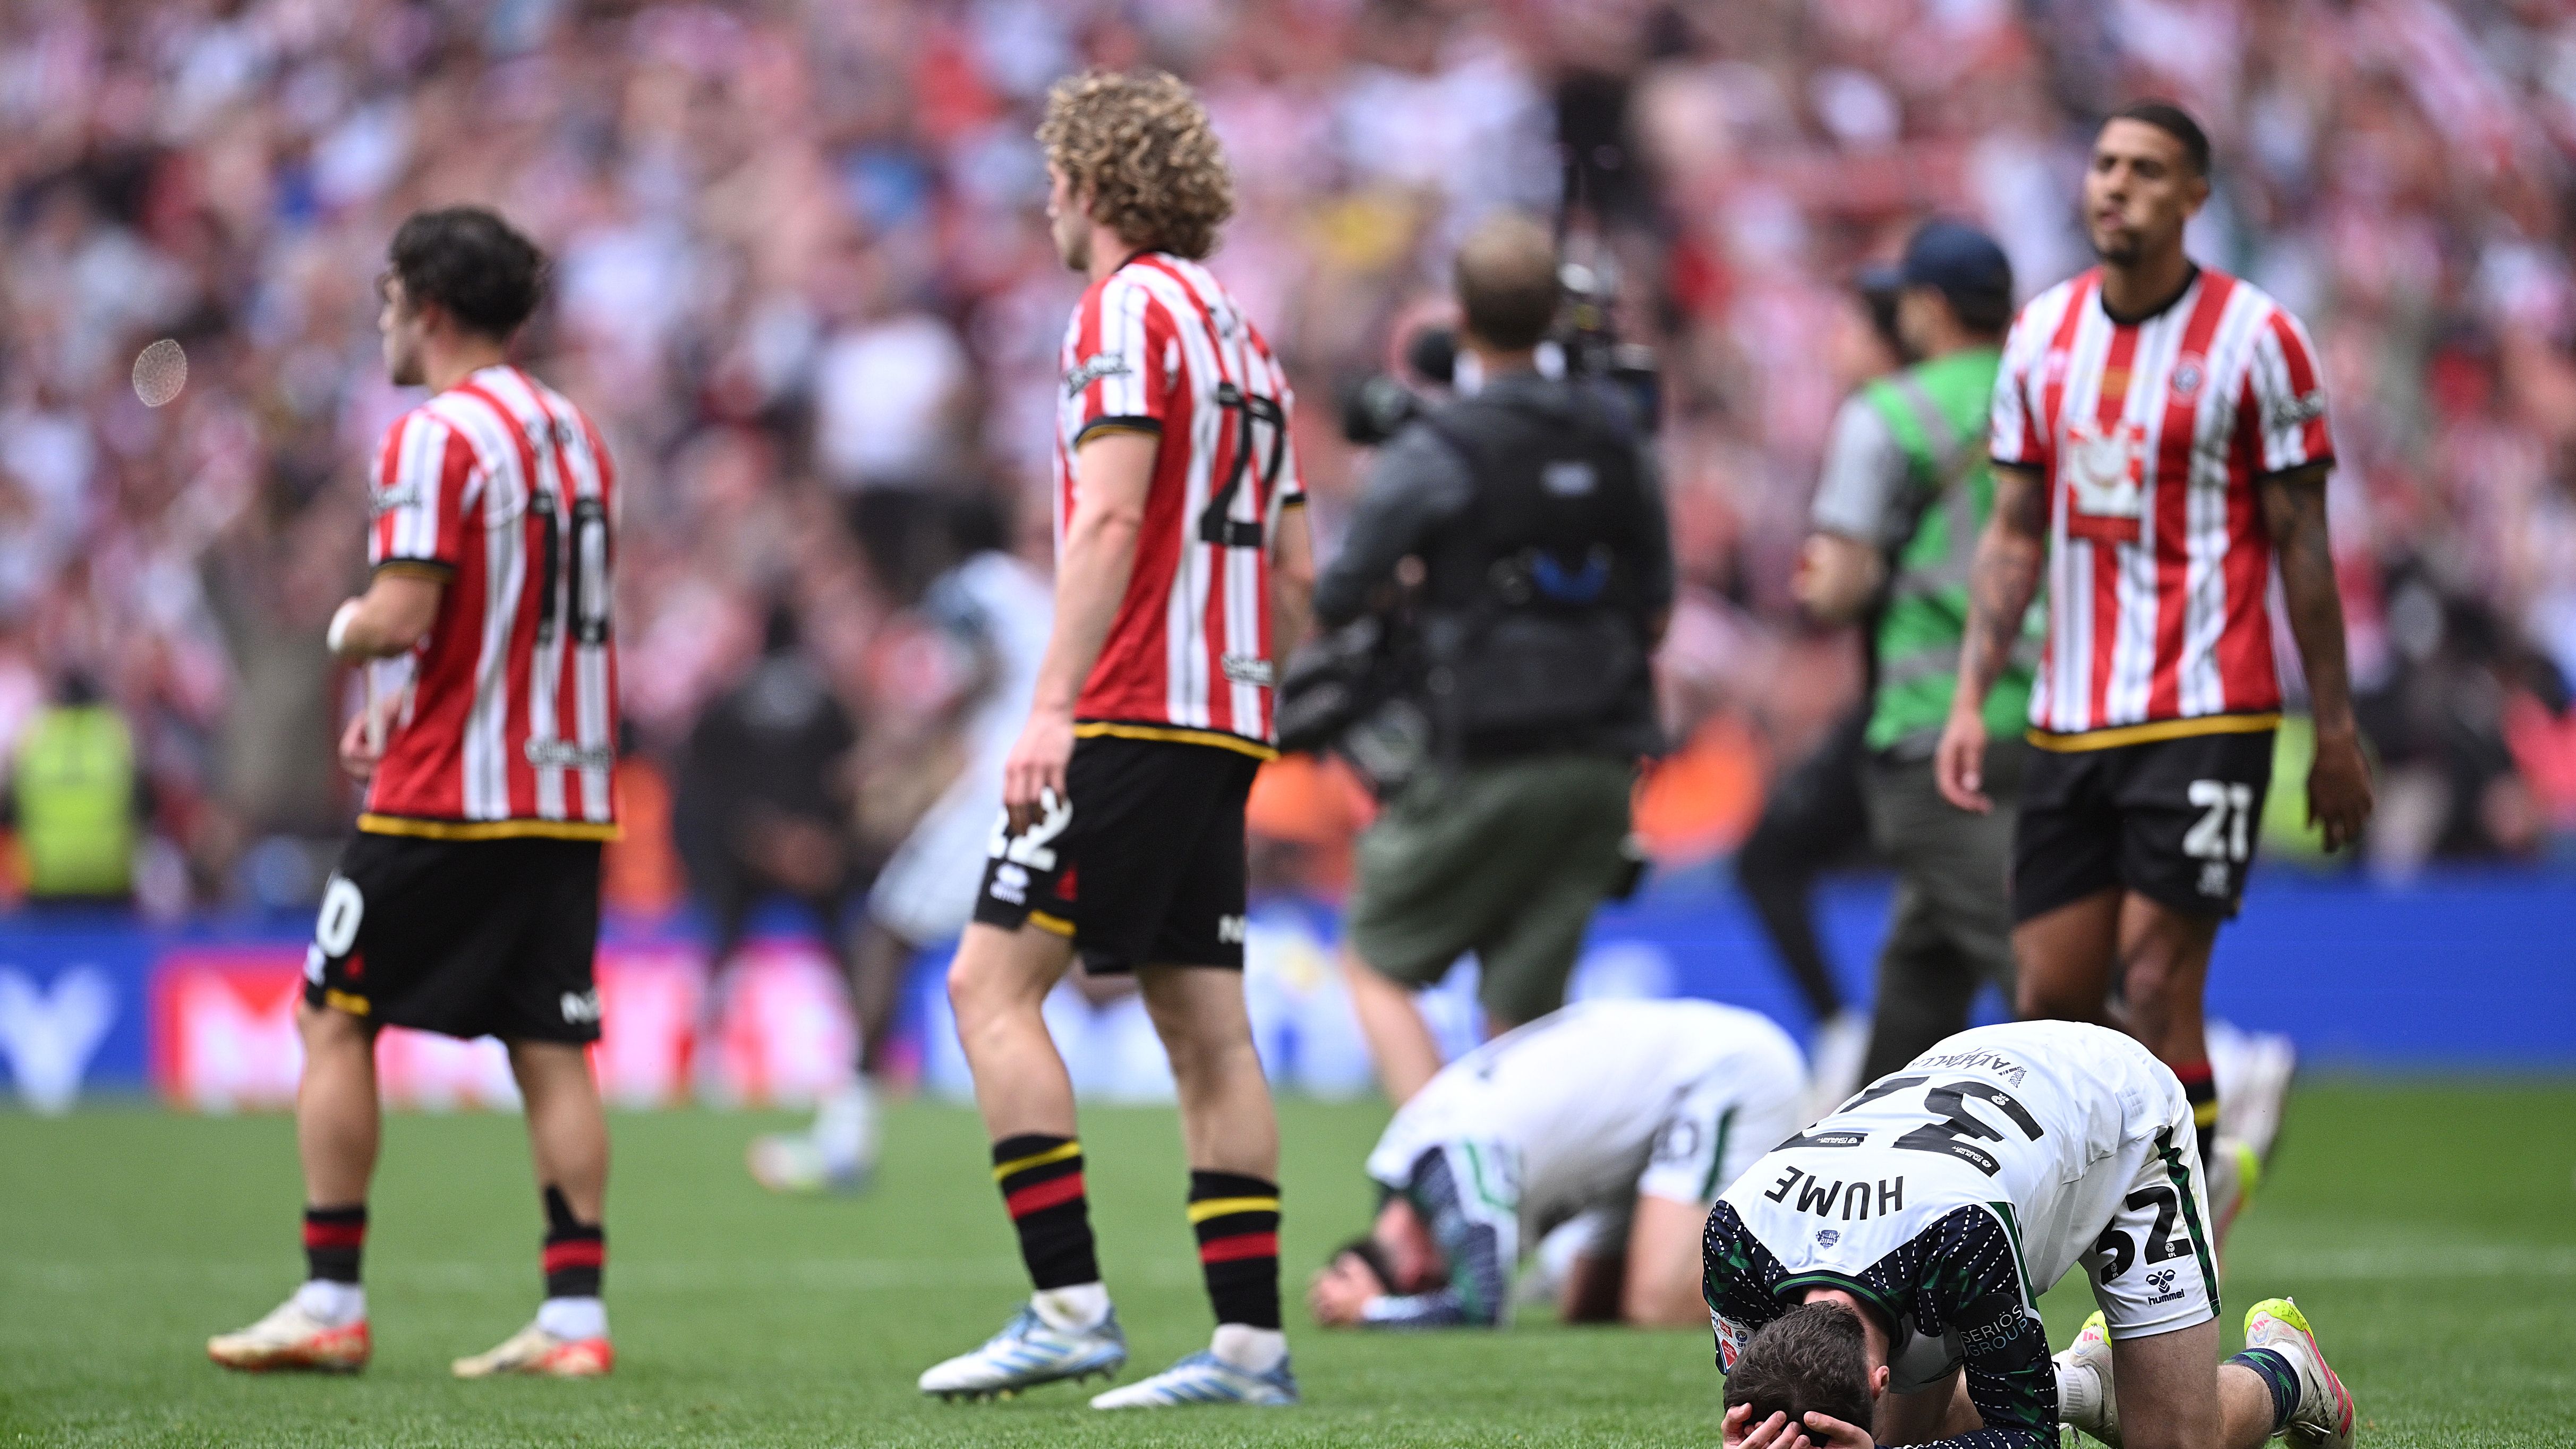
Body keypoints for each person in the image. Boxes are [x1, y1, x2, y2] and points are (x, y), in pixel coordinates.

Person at [915, 70, 1315, 1410]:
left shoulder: (1123, 309)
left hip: (1134, 706)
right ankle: (1249, 1348)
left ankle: (1065, 1304)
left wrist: (1048, 703)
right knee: (1205, 1021)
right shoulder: (1243, 336)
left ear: (1088, 185)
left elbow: (1103, 517)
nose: (1044, 199)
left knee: (988, 986)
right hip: (1224, 708)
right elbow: (1297, 562)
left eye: (1051, 177)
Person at [1934, 101, 2373, 1224]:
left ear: (2193, 197)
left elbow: (2301, 542)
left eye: (2145, 170)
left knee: (2155, 981)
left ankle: (2177, 1255)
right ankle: (2174, 1166)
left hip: (2206, 707)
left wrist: (2332, 726)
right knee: (2050, 1000)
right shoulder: (2041, 336)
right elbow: (2015, 530)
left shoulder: (2256, 340)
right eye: (2102, 165)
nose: (2113, 187)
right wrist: (1972, 697)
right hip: (2070, 717)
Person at [206, 207, 621, 1379]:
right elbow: (514, 609)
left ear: (429, 307)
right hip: (568, 787)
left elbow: (399, 608)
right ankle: (576, 1318)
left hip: (449, 791)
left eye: (388, 300)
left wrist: (343, 632)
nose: (382, 323)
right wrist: (410, 683)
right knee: (550, 1042)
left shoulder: (435, 435)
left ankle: (330, 1295)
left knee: (334, 1013)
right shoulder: (578, 434)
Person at [1317, 212, 1675, 1105]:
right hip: (1603, 760)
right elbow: (1658, 601)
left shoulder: (1441, 448)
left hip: (1481, 752)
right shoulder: (1619, 436)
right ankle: (1536, 1218)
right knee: (1524, 1012)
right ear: (1560, 314)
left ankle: (1445, 1169)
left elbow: (1341, 590)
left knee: (1376, 961)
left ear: (1460, 322)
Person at [1704, 1020, 2356, 1449]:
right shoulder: (1732, 1240)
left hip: (2116, 1107)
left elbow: (2026, 1437)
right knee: (1911, 1434)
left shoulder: (1960, 1241)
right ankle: (2081, 1379)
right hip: (1967, 1102)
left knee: (2179, 1441)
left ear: (1878, 1379)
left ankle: (2289, 1369)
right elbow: (1762, 1396)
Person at [748, 497, 1053, 1194]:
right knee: (1055, 955)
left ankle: (845, 1139)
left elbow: (965, 675)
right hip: (1057, 773)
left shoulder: (970, 587)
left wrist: (892, 750)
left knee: (887, 932)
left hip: (1003, 786)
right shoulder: (1036, 588)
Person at [1793, 220, 2034, 1087]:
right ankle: (1864, 1185)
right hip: (2052, 723)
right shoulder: (2055, 400)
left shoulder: (1889, 414)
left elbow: (1839, 586)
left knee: (2042, 981)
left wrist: (1823, 580)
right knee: (1919, 989)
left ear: (1928, 310)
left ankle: (2175, 1145)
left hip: (1935, 732)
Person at [1307, 998, 1804, 1331]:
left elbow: (1483, 1304)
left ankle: (1816, 1298)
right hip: (1629, 1145)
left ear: (1415, 1273)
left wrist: (1372, 1313)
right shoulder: (1407, 1174)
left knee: (1656, 1308)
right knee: (1587, 1311)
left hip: (1721, 1070)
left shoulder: (1450, 1163)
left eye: (1430, 1284)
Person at [671, 600, 863, 1095]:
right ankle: (863, 1060)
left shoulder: (729, 701)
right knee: (849, 951)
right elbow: (847, 780)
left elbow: (703, 785)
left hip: (744, 847)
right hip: (813, 851)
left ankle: (705, 1060)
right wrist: (815, 843)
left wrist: (757, 839)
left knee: (722, 951)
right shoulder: (829, 702)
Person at [7, 669, 141, 908]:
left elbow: (10, 808)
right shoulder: (114, 732)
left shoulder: (36, 733)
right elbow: (144, 804)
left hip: (45, 878)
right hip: (109, 877)